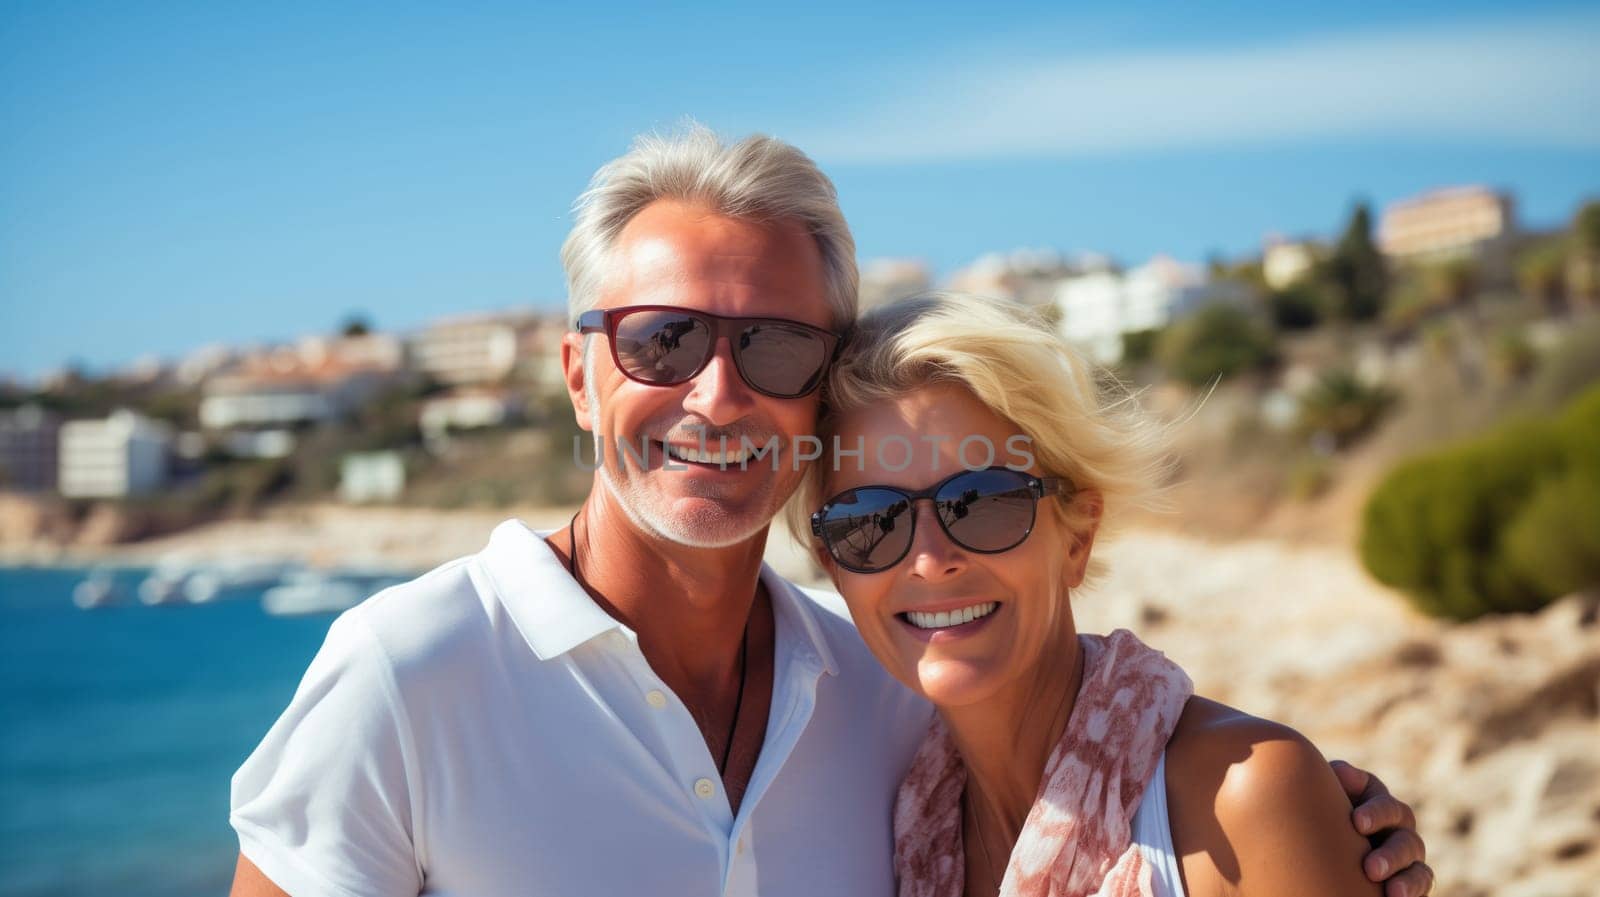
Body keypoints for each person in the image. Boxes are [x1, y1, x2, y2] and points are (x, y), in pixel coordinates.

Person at [227, 126, 1432, 896]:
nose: (717, 390)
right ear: (579, 375)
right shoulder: (409, 674)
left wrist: (1325, 831)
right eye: (661, 340)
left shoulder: (877, 698)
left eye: (775, 344)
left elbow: (1108, 762)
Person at [795, 292, 1428, 896]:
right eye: (869, 521)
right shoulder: (880, 813)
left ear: (1076, 538)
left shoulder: (1244, 799)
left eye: (981, 502)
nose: (930, 561)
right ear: (833, 564)